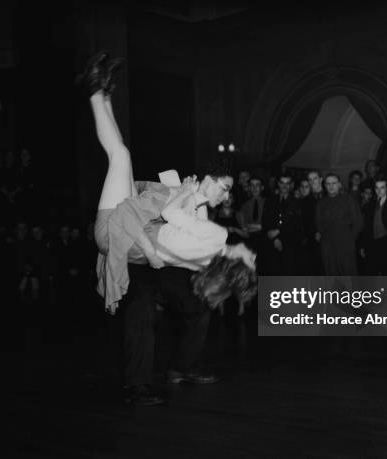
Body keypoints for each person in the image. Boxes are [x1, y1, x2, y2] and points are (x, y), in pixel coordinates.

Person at [82, 52, 256, 405]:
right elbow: (175, 225)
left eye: (249, 259)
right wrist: (187, 196)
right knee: (121, 157)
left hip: (127, 233)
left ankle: (97, 89)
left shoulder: (212, 236)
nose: (225, 193)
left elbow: (173, 224)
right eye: (223, 186)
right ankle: (102, 89)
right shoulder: (208, 243)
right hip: (133, 233)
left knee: (121, 156)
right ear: (209, 179)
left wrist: (187, 195)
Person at [315, 173, 363, 275]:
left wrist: (349, 239)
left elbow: (358, 222)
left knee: (349, 276)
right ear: (325, 185)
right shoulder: (321, 203)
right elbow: (319, 223)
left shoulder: (348, 199)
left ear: (339, 184)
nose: (331, 186)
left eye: (334, 183)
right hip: (328, 247)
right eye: (328, 184)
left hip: (345, 245)